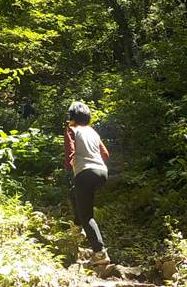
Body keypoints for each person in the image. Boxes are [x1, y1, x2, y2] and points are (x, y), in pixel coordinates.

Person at [64, 101, 111, 265]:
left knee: (87, 215)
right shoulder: (93, 132)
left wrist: (68, 169)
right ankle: (77, 230)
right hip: (102, 172)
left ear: (72, 116)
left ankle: (100, 253)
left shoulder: (72, 129)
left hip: (85, 173)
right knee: (76, 197)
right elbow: (105, 154)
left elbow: (70, 152)